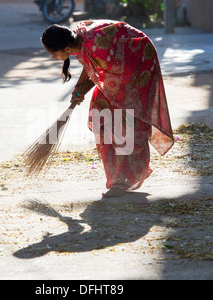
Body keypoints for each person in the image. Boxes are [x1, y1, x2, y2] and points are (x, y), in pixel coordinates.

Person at [41, 20, 174, 198]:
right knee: (101, 115)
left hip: (138, 63)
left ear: (66, 49)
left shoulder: (95, 46)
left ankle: (123, 180)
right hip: (118, 67)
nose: (52, 57)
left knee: (124, 121)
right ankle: (117, 178)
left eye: (52, 53)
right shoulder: (79, 40)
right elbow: (92, 65)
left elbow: (99, 69)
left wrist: (82, 89)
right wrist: (79, 89)